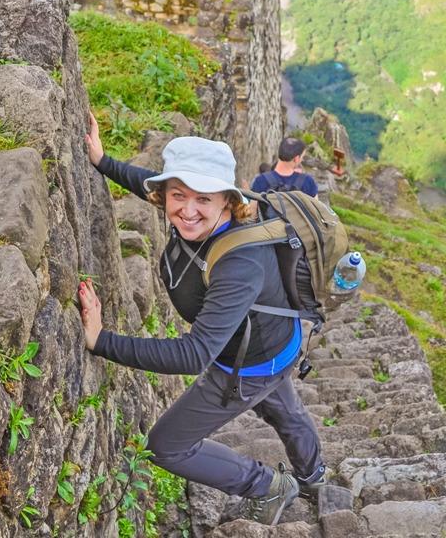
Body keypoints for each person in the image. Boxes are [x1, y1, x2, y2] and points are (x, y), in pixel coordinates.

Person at [77, 114, 326, 526]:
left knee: (166, 446)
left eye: (203, 199)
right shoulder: (192, 210)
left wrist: (102, 341)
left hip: (245, 364)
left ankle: (266, 485)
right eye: (178, 195)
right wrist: (104, 162)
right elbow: (150, 184)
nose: (187, 211)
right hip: (278, 344)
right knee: (286, 410)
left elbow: (194, 355)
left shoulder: (240, 263)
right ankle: (314, 475)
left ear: (228, 201)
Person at [250, 137, 318, 197]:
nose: (302, 160)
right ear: (296, 158)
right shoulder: (308, 181)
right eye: (302, 157)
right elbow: (316, 210)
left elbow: (252, 210)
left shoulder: (261, 180)